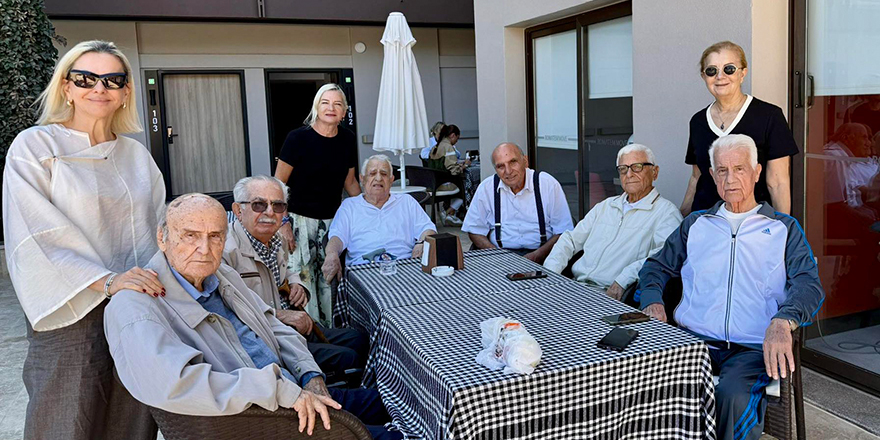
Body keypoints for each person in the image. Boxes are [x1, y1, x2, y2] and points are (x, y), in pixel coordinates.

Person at [104, 194, 401, 440]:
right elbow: (174, 384)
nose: (204, 249)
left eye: (215, 236)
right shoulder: (135, 304)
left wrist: (310, 375)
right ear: (162, 238)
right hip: (259, 419)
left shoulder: (219, 274)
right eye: (190, 235)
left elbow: (273, 324)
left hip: (292, 392)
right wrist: (282, 391)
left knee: (398, 399)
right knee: (398, 435)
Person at [2, 40, 164, 440]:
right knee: (64, 418)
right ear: (66, 87)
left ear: (126, 92)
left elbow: (159, 224)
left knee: (133, 412)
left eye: (112, 79)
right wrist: (106, 280)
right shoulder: (35, 147)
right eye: (86, 78)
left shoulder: (136, 155)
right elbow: (36, 231)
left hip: (136, 300)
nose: (99, 88)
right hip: (70, 303)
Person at [638, 134, 824, 440]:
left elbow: (809, 285)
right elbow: (655, 267)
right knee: (644, 390)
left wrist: (784, 319)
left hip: (751, 348)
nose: (730, 178)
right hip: (692, 344)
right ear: (712, 175)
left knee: (731, 398)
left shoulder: (784, 229)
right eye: (722, 170)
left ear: (757, 172)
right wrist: (652, 301)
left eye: (739, 168)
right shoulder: (695, 224)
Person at [224, 176, 370, 379]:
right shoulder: (226, 251)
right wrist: (282, 315)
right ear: (238, 210)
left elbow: (288, 272)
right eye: (258, 205)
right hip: (269, 337)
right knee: (348, 358)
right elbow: (231, 309)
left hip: (293, 327)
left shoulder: (276, 240)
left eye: (277, 205)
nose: (269, 212)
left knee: (359, 339)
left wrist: (296, 284)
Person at [543, 144, 682, 300]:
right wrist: (551, 274)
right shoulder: (606, 206)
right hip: (575, 287)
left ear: (654, 172)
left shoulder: (666, 213)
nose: (629, 174)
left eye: (637, 167)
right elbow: (570, 240)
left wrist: (623, 280)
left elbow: (661, 258)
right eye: (623, 169)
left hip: (609, 295)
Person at [274, 83, 361, 327]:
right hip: (297, 221)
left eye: (337, 104)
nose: (331, 108)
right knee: (302, 282)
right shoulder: (297, 138)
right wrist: (282, 222)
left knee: (330, 282)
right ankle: (310, 338)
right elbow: (277, 185)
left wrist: (369, 210)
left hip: (333, 223)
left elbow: (351, 183)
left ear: (344, 112)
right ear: (316, 108)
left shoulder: (347, 139)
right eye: (325, 103)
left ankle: (333, 334)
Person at [680, 41, 799, 216]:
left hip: (753, 224)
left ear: (743, 73)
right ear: (703, 76)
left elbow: (778, 182)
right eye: (712, 70)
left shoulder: (769, 116)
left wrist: (784, 228)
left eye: (729, 69)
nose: (720, 76)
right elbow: (697, 177)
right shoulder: (698, 121)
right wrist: (683, 215)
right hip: (706, 222)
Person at [322, 155, 437, 280]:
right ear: (362, 179)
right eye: (372, 173)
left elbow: (428, 229)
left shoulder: (406, 202)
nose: (378, 178)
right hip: (364, 272)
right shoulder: (349, 206)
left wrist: (421, 243)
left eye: (384, 174)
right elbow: (336, 237)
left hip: (404, 268)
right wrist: (332, 254)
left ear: (391, 179)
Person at [462, 142, 573, 263]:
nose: (508, 171)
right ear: (496, 169)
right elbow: (474, 230)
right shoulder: (487, 188)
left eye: (513, 162)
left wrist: (537, 255)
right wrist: (497, 255)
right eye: (501, 166)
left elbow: (563, 231)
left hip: (543, 255)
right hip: (499, 256)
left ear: (525, 161)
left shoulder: (547, 184)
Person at [428, 124, 469, 225]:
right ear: (453, 135)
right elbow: (454, 171)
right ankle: (446, 212)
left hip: (435, 183)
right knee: (466, 189)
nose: (456, 141)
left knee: (460, 185)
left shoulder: (435, 147)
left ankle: (451, 214)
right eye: (457, 138)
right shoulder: (448, 147)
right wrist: (465, 166)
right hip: (445, 184)